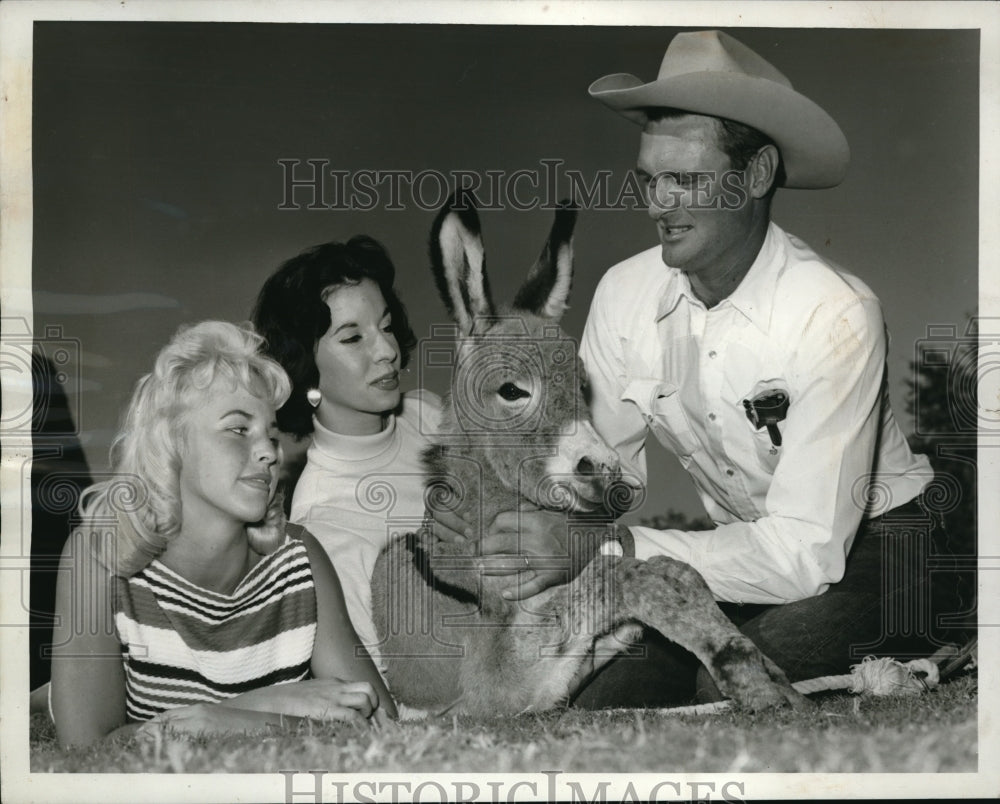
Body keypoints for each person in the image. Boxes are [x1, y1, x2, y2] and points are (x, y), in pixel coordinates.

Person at [441, 29, 970, 706]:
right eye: (649, 179)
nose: (658, 203)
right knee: (608, 697)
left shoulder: (836, 313)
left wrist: (610, 551)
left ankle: (940, 638)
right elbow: (604, 481)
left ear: (755, 175)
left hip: (886, 549)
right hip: (735, 558)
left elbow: (805, 554)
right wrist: (519, 529)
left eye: (685, 179)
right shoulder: (625, 295)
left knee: (736, 672)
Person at [49, 321, 395, 747]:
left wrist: (222, 718)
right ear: (172, 442)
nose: (270, 451)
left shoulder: (299, 557)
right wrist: (267, 705)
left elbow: (380, 722)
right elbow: (86, 749)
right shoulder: (100, 554)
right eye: (238, 429)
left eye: (271, 433)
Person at [252, 237, 441, 678]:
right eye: (353, 337)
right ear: (305, 368)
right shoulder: (324, 523)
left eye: (387, 326)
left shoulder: (429, 415)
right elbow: (386, 685)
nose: (387, 350)